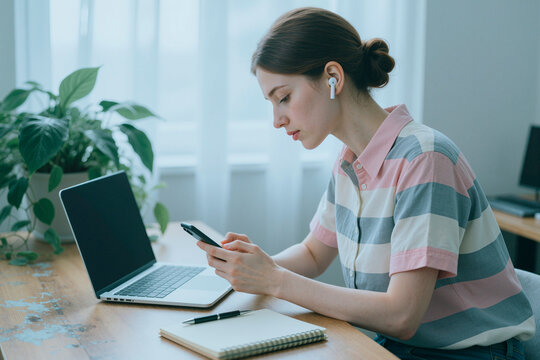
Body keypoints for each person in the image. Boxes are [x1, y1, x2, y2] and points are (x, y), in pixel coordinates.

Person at [196, 7, 535, 360]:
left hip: (472, 354)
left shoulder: (424, 160)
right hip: (402, 345)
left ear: (332, 77)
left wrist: (275, 280)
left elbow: (401, 315)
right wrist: (254, 267)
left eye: (284, 98)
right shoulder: (350, 162)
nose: (277, 120)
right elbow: (313, 253)